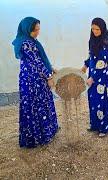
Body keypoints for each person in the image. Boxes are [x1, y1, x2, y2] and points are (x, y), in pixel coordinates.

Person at [12, 17, 59, 148]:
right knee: (37, 105)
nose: (37, 32)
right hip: (33, 81)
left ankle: (45, 132)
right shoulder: (27, 43)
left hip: (33, 79)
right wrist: (49, 77)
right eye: (35, 30)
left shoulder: (29, 41)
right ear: (28, 30)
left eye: (38, 29)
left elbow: (40, 58)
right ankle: (39, 136)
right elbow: (37, 62)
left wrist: (51, 69)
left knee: (39, 104)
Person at [81, 18, 108, 137]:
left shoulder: (106, 42)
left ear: (102, 29)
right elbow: (92, 56)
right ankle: (95, 125)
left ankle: (104, 127)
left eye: (97, 29)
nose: (95, 31)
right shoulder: (92, 40)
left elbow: (103, 62)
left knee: (102, 100)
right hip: (92, 74)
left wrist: (93, 78)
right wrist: (85, 65)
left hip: (103, 77)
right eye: (93, 29)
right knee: (93, 99)